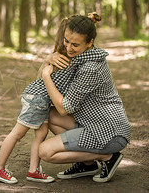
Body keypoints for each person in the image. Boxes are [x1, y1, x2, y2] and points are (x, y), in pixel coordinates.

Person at [39, 13, 131, 183]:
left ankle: (108, 157)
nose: (68, 47)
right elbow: (43, 87)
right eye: (66, 41)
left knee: (45, 152)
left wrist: (46, 76)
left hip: (108, 132)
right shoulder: (80, 56)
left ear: (90, 43)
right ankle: (86, 164)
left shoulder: (90, 68)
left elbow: (64, 108)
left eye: (75, 44)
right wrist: (48, 58)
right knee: (48, 114)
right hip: (90, 121)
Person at [0, 14, 81, 184]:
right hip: (37, 99)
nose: (71, 45)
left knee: (41, 133)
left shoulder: (59, 56)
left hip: (41, 99)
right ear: (64, 39)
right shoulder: (63, 58)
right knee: (18, 133)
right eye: (69, 40)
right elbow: (42, 77)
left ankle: (33, 171)